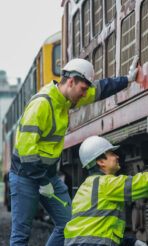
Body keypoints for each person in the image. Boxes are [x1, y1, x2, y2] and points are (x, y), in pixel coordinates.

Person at [9, 56, 139, 246]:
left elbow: (100, 90)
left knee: (70, 224)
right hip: (25, 175)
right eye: (83, 90)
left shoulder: (66, 100)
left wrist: (127, 80)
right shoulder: (41, 105)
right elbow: (26, 152)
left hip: (47, 175)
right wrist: (43, 181)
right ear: (71, 82)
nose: (85, 95)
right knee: (21, 234)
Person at [64, 136, 148, 246]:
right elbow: (145, 182)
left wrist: (130, 242)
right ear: (101, 161)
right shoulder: (106, 184)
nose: (117, 156)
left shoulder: (85, 188)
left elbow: (96, 229)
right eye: (112, 154)